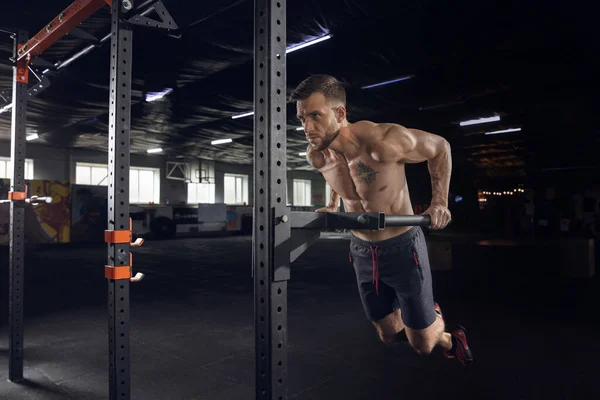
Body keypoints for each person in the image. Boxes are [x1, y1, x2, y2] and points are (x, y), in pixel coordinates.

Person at [289, 74, 473, 366]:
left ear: (340, 113)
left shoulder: (382, 142)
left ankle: (447, 334)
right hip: (361, 250)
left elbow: (440, 148)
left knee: (422, 344)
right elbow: (339, 176)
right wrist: (332, 203)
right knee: (388, 334)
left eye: (315, 116)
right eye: (301, 119)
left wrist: (440, 203)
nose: (307, 128)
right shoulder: (317, 155)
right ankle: (418, 315)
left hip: (402, 245)